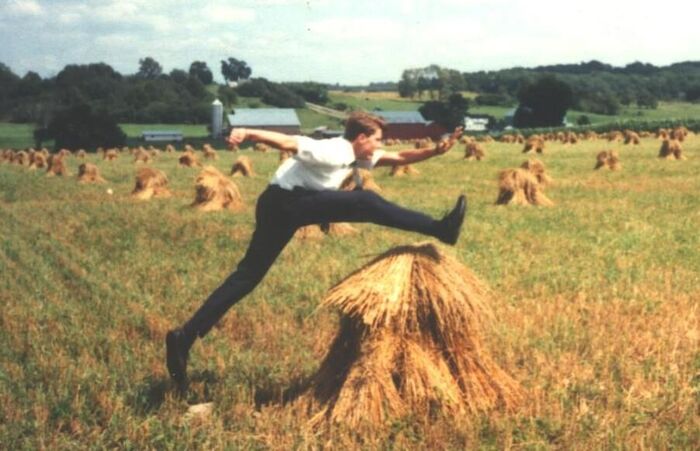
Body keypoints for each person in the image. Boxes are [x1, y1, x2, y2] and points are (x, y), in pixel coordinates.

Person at [166, 112, 466, 390]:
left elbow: (400, 156)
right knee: (366, 202)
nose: (379, 146)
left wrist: (436, 150)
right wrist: (245, 132)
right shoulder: (334, 150)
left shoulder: (356, 157)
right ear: (360, 138)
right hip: (286, 202)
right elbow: (286, 141)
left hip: (280, 205)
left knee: (247, 277)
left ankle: (184, 337)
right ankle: (441, 228)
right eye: (376, 140)